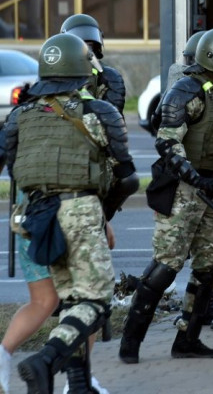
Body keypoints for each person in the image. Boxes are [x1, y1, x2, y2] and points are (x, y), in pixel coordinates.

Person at [118, 27, 213, 364]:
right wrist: (194, 177)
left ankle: (188, 339)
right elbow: (167, 142)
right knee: (166, 265)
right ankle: (130, 341)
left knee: (208, 267)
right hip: (184, 187)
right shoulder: (185, 90)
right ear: (211, 57)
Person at [3, 33, 137, 394]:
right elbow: (128, 178)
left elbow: (11, 164)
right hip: (79, 209)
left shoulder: (20, 115)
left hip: (36, 215)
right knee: (95, 299)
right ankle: (45, 359)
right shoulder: (99, 111)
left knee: (72, 302)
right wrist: (102, 212)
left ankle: (79, 385)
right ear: (83, 70)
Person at [60, 13, 126, 113]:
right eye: (79, 44)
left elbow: (111, 114)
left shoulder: (108, 76)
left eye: (89, 45)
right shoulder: (56, 73)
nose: (85, 49)